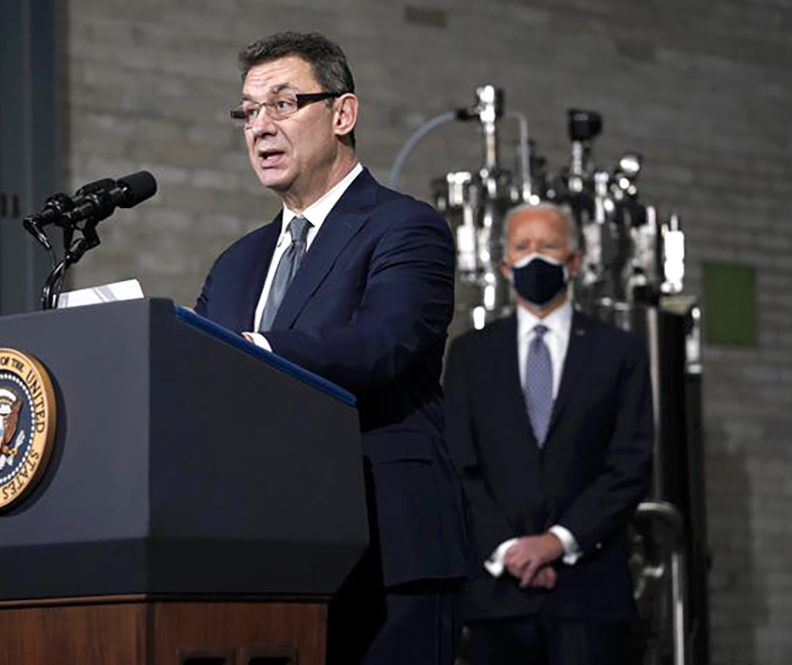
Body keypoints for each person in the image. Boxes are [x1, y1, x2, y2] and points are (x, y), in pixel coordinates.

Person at [194, 31, 471, 665]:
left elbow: (383, 345)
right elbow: (200, 380)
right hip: (267, 556)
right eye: (248, 111)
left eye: (282, 103)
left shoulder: (405, 227)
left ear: (342, 113)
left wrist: (254, 350)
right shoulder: (236, 264)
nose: (260, 127)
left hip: (386, 548)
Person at [444, 202, 654, 665]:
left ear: (574, 261)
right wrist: (509, 550)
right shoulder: (469, 355)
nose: (534, 257)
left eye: (548, 246)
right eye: (523, 246)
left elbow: (630, 465)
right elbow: (457, 466)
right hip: (497, 595)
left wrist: (556, 541)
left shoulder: (619, 352)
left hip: (590, 594)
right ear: (505, 265)